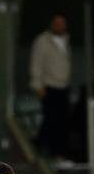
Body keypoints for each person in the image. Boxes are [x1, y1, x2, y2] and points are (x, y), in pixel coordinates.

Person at [28, 14, 73, 158]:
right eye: (57, 23)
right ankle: (43, 150)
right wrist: (38, 85)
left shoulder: (66, 40)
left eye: (62, 23)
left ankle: (59, 153)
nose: (59, 26)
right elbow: (36, 63)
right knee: (50, 120)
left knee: (62, 122)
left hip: (63, 87)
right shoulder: (42, 41)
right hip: (49, 86)